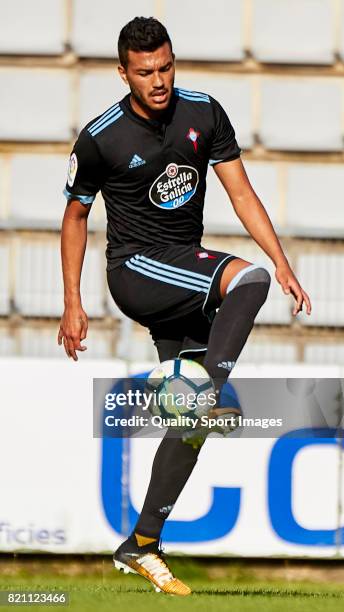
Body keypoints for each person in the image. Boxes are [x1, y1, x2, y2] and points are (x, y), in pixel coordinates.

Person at [58, 17, 311, 596]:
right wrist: (72, 303)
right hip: (136, 269)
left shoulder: (204, 113)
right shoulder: (101, 137)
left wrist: (286, 260)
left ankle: (142, 542)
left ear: (175, 61)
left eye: (166, 66)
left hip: (182, 266)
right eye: (145, 71)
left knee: (189, 423)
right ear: (123, 73)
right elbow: (75, 217)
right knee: (247, 281)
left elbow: (240, 191)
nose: (159, 80)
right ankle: (208, 393)